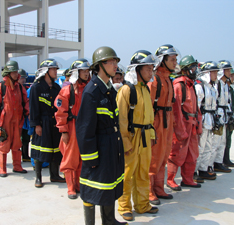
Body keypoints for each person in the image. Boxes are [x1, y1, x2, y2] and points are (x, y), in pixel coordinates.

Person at [76, 46, 127, 225]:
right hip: (98, 147)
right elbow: (84, 129)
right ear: (100, 65)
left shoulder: (109, 89)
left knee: (109, 183)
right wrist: (90, 157)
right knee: (92, 187)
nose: (115, 66)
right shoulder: (92, 91)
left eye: (116, 62)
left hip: (111, 145)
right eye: (111, 62)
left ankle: (109, 220)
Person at [117, 50, 158, 221]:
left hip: (145, 138)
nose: (151, 72)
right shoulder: (127, 90)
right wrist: (126, 142)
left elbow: (149, 115)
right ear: (138, 70)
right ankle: (124, 206)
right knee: (127, 173)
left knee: (143, 172)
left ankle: (142, 204)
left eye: (151, 69)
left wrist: (152, 134)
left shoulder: (146, 90)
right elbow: (121, 119)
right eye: (148, 69)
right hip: (132, 137)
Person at [147, 44, 179, 205]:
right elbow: (148, 106)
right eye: (172, 59)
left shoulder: (167, 79)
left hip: (166, 122)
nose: (175, 62)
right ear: (162, 60)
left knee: (164, 156)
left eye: (175, 59)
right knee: (153, 157)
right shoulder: (155, 80)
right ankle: (149, 190)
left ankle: (159, 187)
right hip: (157, 122)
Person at [54, 58, 91, 199]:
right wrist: (63, 130)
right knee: (70, 158)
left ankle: (78, 185)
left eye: (88, 71)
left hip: (85, 127)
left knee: (83, 157)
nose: (86, 73)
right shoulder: (67, 90)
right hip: (72, 127)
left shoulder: (89, 88)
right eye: (84, 71)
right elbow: (60, 112)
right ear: (77, 72)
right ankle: (70, 188)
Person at [166, 55, 203, 191]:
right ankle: (170, 180)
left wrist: (199, 124)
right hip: (182, 124)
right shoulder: (179, 86)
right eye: (192, 68)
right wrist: (180, 130)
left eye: (195, 67)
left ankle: (188, 179)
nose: (195, 70)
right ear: (185, 70)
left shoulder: (191, 86)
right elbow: (176, 111)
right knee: (176, 153)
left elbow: (196, 107)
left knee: (192, 153)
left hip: (192, 125)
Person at [30, 58, 65, 188]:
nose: (56, 71)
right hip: (42, 123)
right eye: (53, 69)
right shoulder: (36, 88)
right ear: (46, 71)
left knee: (56, 149)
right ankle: (38, 178)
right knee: (39, 150)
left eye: (56, 69)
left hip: (54, 123)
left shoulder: (56, 88)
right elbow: (33, 108)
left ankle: (54, 175)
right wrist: (36, 125)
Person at [0, 60, 29, 177]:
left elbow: (25, 102)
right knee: (3, 144)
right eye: (14, 71)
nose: (16, 73)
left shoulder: (20, 88)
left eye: (16, 71)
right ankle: (3, 168)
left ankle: (17, 166)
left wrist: (28, 114)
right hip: (4, 121)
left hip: (17, 120)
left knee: (17, 144)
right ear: (8, 73)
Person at [194, 61, 219, 182]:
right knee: (199, 147)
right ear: (206, 74)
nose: (216, 74)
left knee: (208, 146)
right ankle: (193, 171)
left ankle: (203, 169)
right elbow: (195, 107)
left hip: (211, 120)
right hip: (202, 120)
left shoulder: (212, 88)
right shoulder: (200, 88)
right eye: (213, 72)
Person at [210, 60, 233, 173]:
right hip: (218, 114)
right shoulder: (217, 84)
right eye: (227, 70)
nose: (229, 72)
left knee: (222, 141)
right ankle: (210, 164)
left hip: (224, 114)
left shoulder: (225, 85)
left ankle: (219, 162)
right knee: (215, 142)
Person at [223, 69, 234, 167]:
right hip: (224, 117)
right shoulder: (223, 87)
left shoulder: (230, 89)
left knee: (228, 139)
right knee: (224, 140)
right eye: (231, 75)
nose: (232, 77)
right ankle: (223, 160)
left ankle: (226, 158)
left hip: (230, 117)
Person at [18, 68, 31, 162]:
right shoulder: (13, 89)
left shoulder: (26, 89)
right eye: (22, 78)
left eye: (24, 78)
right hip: (17, 117)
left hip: (25, 117)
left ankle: (25, 155)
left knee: (25, 136)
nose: (23, 80)